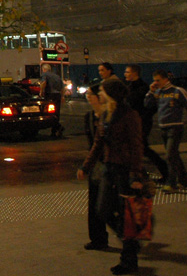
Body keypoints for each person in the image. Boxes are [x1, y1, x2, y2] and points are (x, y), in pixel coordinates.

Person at [77, 78, 146, 275]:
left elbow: (136, 146)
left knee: (128, 215)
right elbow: (98, 144)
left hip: (125, 170)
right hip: (108, 168)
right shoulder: (106, 114)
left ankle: (129, 259)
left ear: (111, 94)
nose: (100, 94)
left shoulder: (129, 115)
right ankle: (129, 238)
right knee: (103, 210)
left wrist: (136, 174)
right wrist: (86, 166)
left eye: (103, 91)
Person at [145, 69, 187, 192]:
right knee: (174, 156)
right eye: (154, 80)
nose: (156, 83)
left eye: (158, 80)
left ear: (166, 79)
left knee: (170, 155)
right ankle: (185, 181)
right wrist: (151, 91)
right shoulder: (158, 92)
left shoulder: (178, 91)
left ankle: (171, 183)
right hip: (163, 127)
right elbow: (148, 105)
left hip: (175, 127)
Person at [122, 64, 169, 182]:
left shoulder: (143, 88)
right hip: (133, 123)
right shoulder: (129, 87)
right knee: (138, 149)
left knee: (142, 148)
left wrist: (141, 119)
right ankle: (143, 173)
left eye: (127, 72)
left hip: (142, 123)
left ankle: (164, 171)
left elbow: (150, 106)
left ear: (135, 73)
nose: (125, 74)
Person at [82, 83, 107, 250]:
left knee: (108, 204)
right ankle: (98, 239)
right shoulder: (89, 117)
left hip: (111, 164)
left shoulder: (110, 115)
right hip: (96, 165)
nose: (88, 97)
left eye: (91, 94)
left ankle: (126, 237)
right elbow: (94, 144)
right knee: (94, 203)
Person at [38, 63, 65, 137]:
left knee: (49, 113)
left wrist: (41, 92)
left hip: (50, 95)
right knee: (56, 113)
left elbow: (44, 83)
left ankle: (58, 127)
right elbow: (63, 88)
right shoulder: (57, 76)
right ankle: (54, 130)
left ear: (44, 69)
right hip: (58, 95)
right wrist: (62, 96)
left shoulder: (44, 75)